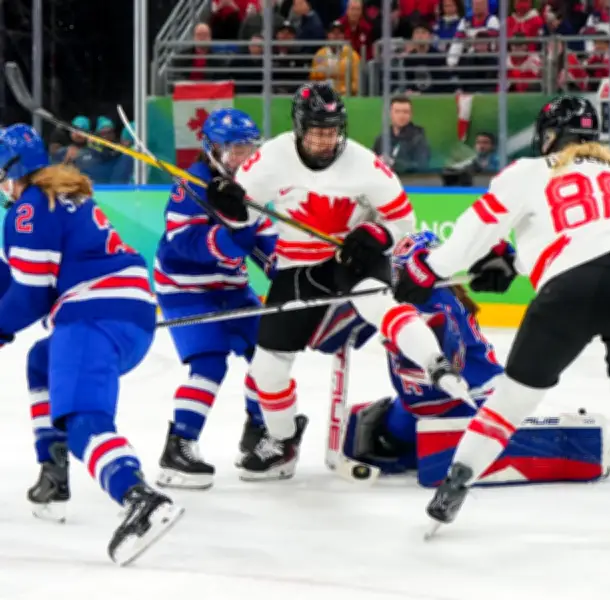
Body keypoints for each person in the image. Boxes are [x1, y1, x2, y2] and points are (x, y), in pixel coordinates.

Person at [392, 96, 610, 536]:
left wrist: (424, 271)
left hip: (573, 289)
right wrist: (516, 261)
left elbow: (471, 238)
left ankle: (454, 486)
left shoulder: (530, 171)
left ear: (548, 136)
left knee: (513, 398)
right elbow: (593, 235)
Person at [204, 81, 470, 481]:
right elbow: (247, 216)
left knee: (376, 301)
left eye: (332, 132)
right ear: (299, 128)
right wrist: (230, 208)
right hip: (297, 266)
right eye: (317, 132)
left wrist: (377, 235)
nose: (326, 141)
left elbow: (403, 222)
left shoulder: (365, 165)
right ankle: (282, 440)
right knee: (266, 369)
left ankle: (435, 363)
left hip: (352, 256)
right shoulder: (269, 159)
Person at [0, 124, 184, 565]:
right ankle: (54, 471)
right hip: (129, 313)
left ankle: (138, 497)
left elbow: (30, 295)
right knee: (41, 362)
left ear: (12, 168)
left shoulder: (29, 208)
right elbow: (14, 275)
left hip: (91, 315)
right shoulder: (61, 195)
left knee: (84, 420)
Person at [318, 231, 609, 485]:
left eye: (400, 269)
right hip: (418, 407)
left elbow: (445, 361)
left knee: (450, 445)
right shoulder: (393, 300)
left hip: (473, 397)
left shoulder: (439, 305)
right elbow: (334, 337)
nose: (395, 275)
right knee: (380, 440)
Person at [153, 108, 278, 488]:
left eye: (247, 150)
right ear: (211, 149)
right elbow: (183, 244)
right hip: (186, 288)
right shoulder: (189, 187)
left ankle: (258, 432)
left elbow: (267, 241)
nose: (240, 158)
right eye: (232, 150)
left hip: (231, 286)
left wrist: (288, 269)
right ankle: (179, 447)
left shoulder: (254, 185)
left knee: (269, 353)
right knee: (209, 365)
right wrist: (229, 239)